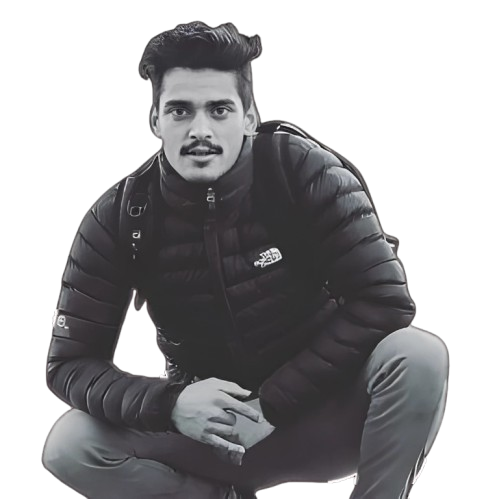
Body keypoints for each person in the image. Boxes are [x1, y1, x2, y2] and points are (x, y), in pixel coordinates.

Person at [41, 21, 450, 498]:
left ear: (249, 117)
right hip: (213, 434)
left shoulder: (300, 169)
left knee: (417, 356)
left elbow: (384, 302)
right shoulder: (120, 216)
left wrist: (272, 404)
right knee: (71, 444)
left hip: (327, 414)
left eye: (219, 110)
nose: (200, 130)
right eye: (179, 110)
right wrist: (171, 404)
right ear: (155, 120)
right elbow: (69, 364)